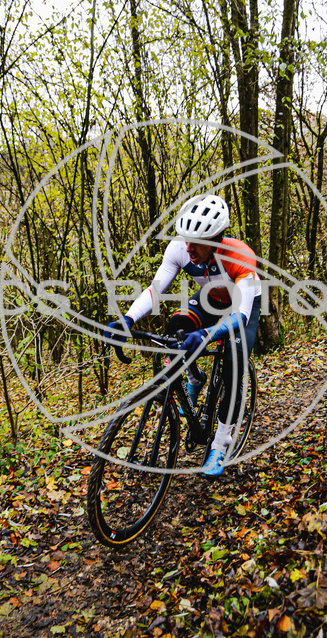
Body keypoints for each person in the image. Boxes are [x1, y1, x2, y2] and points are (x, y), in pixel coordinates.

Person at [107, 194, 262, 478]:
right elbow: (155, 290)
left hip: (243, 306)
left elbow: (240, 316)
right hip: (210, 297)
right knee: (175, 328)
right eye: (186, 239)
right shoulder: (180, 248)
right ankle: (194, 378)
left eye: (196, 242)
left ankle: (220, 445)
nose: (188, 248)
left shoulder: (240, 257)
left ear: (216, 239)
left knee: (233, 367)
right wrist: (127, 319)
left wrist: (206, 334)